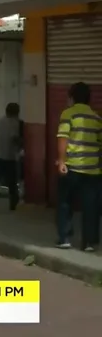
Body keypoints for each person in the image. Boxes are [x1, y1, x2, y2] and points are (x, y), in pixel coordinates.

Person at [54, 82, 102, 251]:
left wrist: (61, 161)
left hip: (72, 167)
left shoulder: (68, 113)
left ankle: (65, 238)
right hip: (92, 170)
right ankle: (88, 243)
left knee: (65, 202)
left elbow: (63, 137)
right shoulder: (96, 118)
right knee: (91, 206)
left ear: (72, 97)